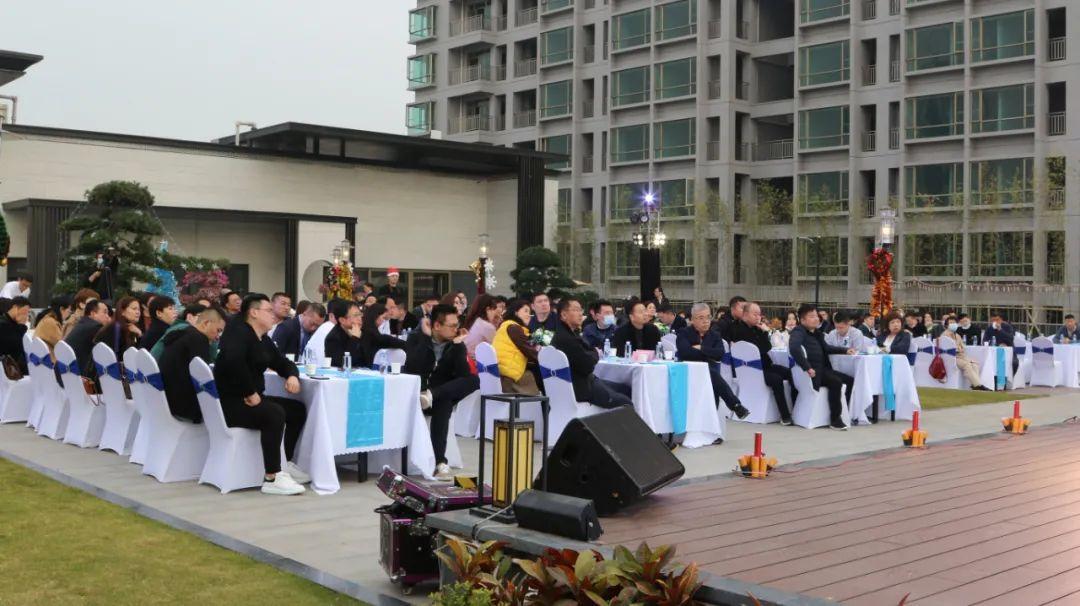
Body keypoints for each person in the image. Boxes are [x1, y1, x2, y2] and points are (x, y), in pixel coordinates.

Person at [214, 293, 309, 496]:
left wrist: (292, 375)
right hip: (232, 403)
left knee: (296, 409)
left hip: (250, 398)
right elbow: (232, 363)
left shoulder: (262, 338)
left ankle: (284, 463)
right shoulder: (237, 332)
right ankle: (272, 477)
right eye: (268, 310)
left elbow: (281, 362)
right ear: (254, 313)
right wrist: (249, 391)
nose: (273, 314)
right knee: (274, 413)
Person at [404, 304, 478, 479]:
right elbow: (413, 366)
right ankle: (440, 462)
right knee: (445, 403)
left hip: (438, 395)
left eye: (457, 325)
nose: (456, 329)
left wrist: (458, 347)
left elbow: (462, 376)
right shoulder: (417, 338)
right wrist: (426, 338)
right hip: (417, 394)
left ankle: (432, 395)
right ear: (437, 325)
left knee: (473, 381)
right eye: (452, 326)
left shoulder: (455, 345)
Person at [550, 296, 632, 409]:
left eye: (581, 310)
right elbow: (588, 365)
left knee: (626, 389)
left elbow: (588, 352)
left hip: (585, 382)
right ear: (564, 315)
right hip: (581, 388)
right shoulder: (566, 339)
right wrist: (595, 353)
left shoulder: (567, 334)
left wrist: (592, 353)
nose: (580, 314)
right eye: (576, 310)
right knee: (626, 402)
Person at [677, 303, 749, 420]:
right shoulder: (683, 333)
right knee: (711, 372)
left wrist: (701, 348)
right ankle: (735, 405)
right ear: (693, 320)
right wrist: (708, 354)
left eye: (708, 317)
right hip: (689, 371)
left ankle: (716, 418)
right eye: (701, 318)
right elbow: (685, 352)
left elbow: (720, 353)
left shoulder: (714, 335)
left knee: (710, 374)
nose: (706, 321)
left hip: (709, 373)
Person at [789, 304, 856, 431]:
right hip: (812, 374)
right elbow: (794, 349)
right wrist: (807, 367)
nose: (816, 319)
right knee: (835, 382)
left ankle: (845, 412)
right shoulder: (798, 332)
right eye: (811, 316)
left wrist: (845, 350)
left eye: (816, 316)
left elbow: (826, 348)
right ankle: (835, 419)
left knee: (850, 380)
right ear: (802, 320)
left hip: (822, 370)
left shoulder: (817, 333)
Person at [159, 307, 226, 422]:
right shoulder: (198, 340)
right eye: (218, 330)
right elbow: (203, 379)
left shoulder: (182, 334)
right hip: (184, 407)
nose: (218, 336)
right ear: (206, 323)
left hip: (167, 400)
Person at [731, 302, 794, 424]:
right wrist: (765, 334)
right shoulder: (739, 330)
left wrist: (765, 332)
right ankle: (785, 415)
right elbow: (761, 349)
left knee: (790, 373)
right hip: (752, 370)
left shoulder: (756, 329)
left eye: (759, 314)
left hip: (765, 366)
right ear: (745, 314)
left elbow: (767, 347)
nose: (758, 317)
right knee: (776, 379)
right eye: (755, 314)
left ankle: (794, 407)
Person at [492, 299, 541, 395]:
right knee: (535, 377)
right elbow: (530, 351)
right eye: (526, 311)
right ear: (516, 312)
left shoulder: (506, 325)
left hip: (501, 371)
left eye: (530, 312)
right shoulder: (514, 328)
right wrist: (545, 358)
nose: (529, 315)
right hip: (508, 376)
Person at [151, 303, 218, 361]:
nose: (206, 322)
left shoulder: (179, 327)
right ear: (189, 317)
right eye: (201, 317)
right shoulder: (185, 330)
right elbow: (207, 361)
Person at [938, 315, 989, 391]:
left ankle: (975, 385)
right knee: (966, 365)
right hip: (952, 357)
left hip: (960, 356)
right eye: (951, 323)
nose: (953, 324)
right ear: (947, 325)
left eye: (954, 323)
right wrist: (959, 349)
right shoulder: (945, 335)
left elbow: (962, 347)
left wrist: (959, 348)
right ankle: (978, 385)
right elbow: (951, 348)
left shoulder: (957, 335)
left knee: (974, 363)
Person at [64, 299, 111, 377]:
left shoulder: (83, 323)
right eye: (105, 312)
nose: (108, 317)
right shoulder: (95, 327)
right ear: (93, 313)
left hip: (66, 372)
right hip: (79, 376)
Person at [356, 302, 406, 368]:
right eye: (383, 318)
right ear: (376, 316)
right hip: (366, 366)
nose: (383, 321)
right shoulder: (370, 332)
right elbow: (384, 339)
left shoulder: (366, 328)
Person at [323, 299, 364, 368]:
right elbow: (341, 363)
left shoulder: (363, 331)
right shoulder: (333, 338)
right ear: (342, 320)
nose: (360, 318)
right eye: (356, 315)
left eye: (360, 314)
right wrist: (354, 339)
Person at [463, 294, 501, 359]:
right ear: (488, 309)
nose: (495, 314)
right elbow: (496, 348)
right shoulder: (487, 326)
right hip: (476, 362)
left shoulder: (476, 321)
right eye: (494, 310)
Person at [0, 297, 31, 374]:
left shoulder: (13, 323)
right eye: (25, 311)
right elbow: (17, 345)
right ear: (15, 308)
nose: (26, 315)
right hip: (7, 370)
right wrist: (22, 325)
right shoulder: (3, 324)